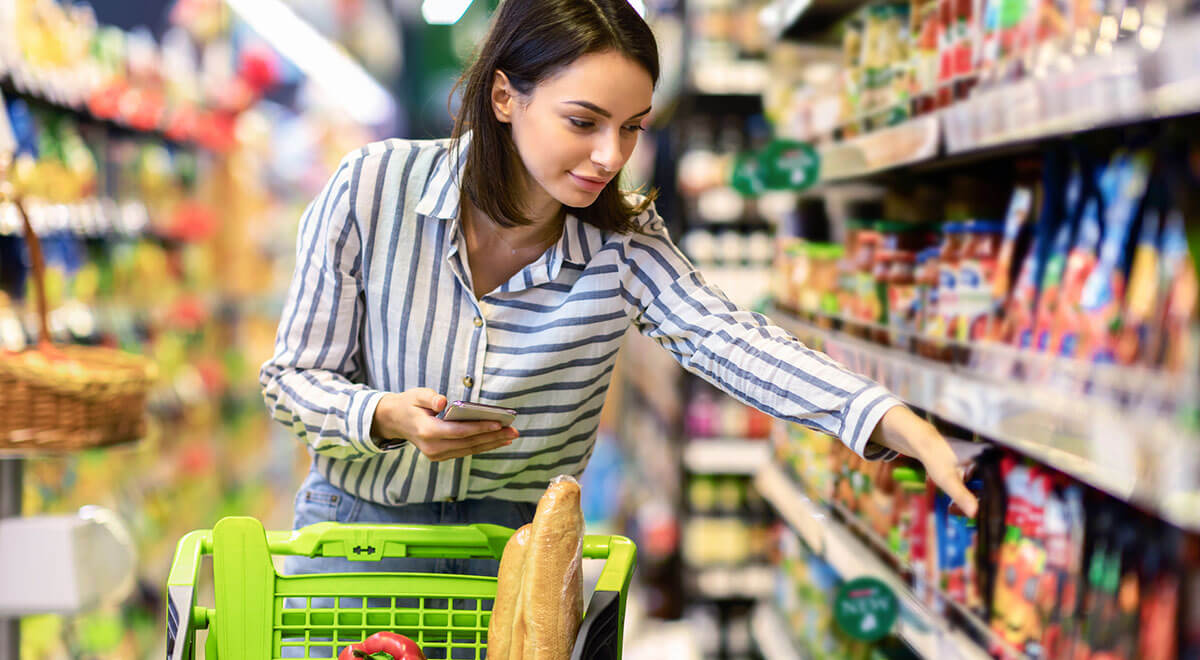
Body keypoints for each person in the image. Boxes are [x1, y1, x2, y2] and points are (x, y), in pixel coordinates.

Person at [260, 0, 977, 578]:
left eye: (632, 129)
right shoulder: (374, 187)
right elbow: (291, 380)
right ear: (506, 96)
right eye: (583, 122)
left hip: (521, 563)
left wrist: (888, 419)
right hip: (358, 548)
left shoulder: (624, 240)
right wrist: (384, 414)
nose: (611, 156)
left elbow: (728, 337)